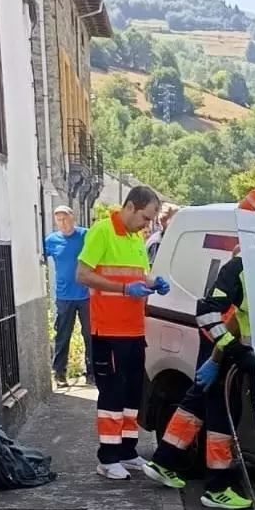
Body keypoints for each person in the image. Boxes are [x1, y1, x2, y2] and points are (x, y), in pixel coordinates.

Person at [144, 189, 255, 510]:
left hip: (239, 351)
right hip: (235, 351)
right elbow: (208, 312)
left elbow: (241, 315)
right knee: (220, 411)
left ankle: (164, 460)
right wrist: (230, 352)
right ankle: (217, 486)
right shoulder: (241, 266)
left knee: (198, 403)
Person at [76, 186, 171, 480]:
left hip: (133, 329)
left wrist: (154, 282)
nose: (148, 225)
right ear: (130, 207)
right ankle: (107, 458)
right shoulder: (102, 232)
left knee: (133, 393)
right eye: (146, 217)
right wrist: (122, 289)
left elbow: (137, 276)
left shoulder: (135, 237)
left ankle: (128, 451)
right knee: (112, 394)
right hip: (109, 330)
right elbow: (82, 274)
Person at [43, 205, 93, 386]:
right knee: (63, 335)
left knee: (90, 336)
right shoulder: (51, 240)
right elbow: (39, 257)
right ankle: (59, 373)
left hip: (86, 295)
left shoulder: (86, 235)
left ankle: (91, 374)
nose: (63, 223)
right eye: (59, 220)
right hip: (64, 296)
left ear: (73, 217)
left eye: (65, 219)